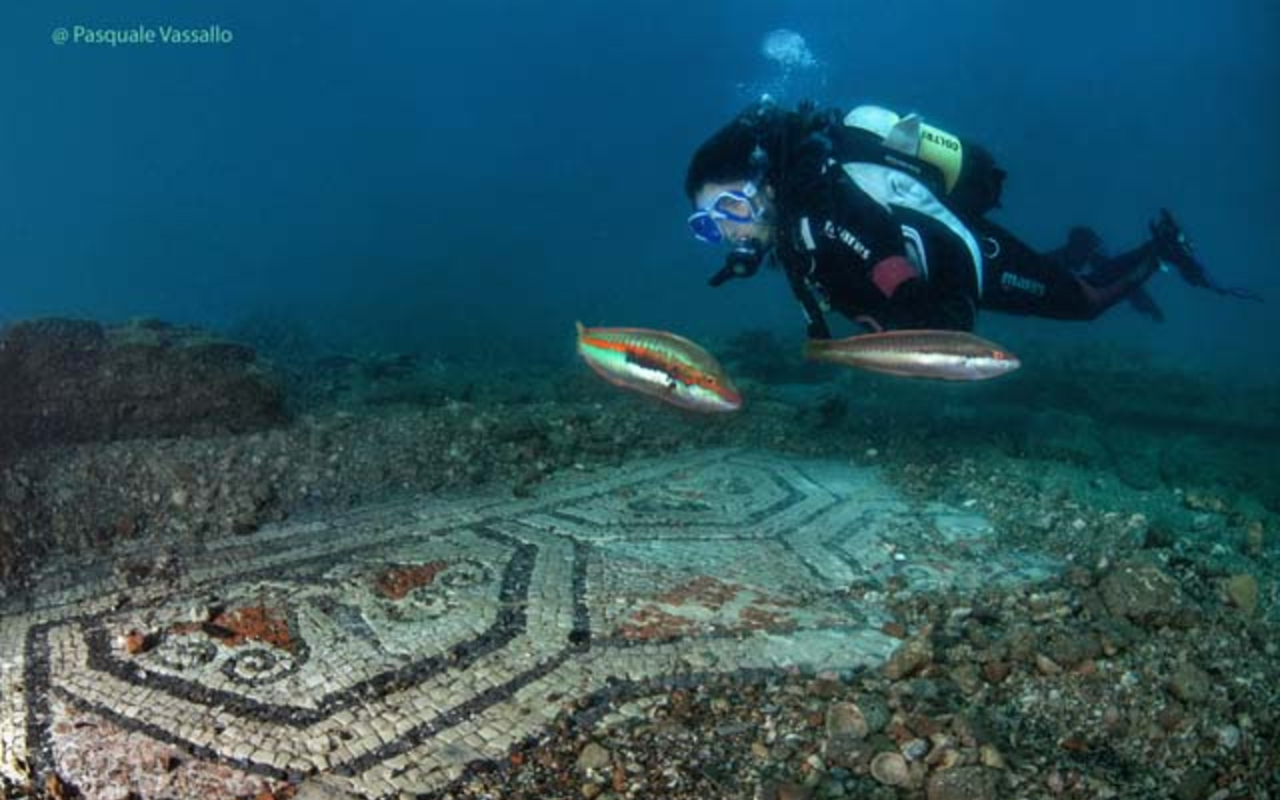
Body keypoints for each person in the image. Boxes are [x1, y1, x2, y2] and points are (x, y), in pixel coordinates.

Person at [684, 98, 1255, 338]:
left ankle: (1161, 251)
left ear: (764, 183)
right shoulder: (796, 232)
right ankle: (1079, 245)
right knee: (1043, 278)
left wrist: (902, 322)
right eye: (709, 225)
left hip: (971, 258)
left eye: (730, 208)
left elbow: (905, 285)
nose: (728, 231)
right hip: (956, 261)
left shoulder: (826, 210)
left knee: (1082, 304)